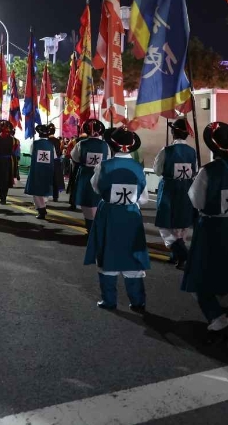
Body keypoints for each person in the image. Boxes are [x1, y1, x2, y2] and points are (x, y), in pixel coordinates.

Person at [182, 122, 228, 344]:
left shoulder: (208, 171)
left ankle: (216, 316)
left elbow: (197, 201)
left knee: (200, 275)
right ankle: (225, 312)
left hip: (211, 228)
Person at [84, 126, 150, 311]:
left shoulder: (104, 166)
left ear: (111, 145)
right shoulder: (138, 168)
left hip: (109, 214)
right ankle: (138, 302)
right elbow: (143, 198)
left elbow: (96, 187)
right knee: (132, 254)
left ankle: (109, 300)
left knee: (108, 253)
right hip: (131, 215)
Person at [154, 118, 198, 269]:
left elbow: (157, 170)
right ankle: (177, 257)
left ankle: (183, 255)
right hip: (186, 190)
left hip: (169, 190)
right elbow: (195, 170)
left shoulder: (166, 151)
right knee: (181, 225)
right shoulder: (192, 152)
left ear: (173, 132)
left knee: (165, 225)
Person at [71, 120, 110, 233]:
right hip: (101, 176)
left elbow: (75, 158)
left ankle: (90, 227)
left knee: (86, 201)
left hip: (85, 176)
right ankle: (97, 226)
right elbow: (108, 158)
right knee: (99, 201)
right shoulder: (105, 145)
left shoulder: (81, 144)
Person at [25, 124, 57, 220]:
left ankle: (41, 210)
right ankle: (43, 207)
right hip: (48, 170)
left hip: (36, 170)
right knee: (45, 190)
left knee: (36, 190)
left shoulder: (34, 144)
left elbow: (31, 154)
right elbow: (54, 157)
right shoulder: (51, 145)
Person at [0, 120, 16, 205]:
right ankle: (4, 197)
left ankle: (2, 198)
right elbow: (13, 150)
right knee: (6, 179)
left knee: (0, 179)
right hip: (8, 161)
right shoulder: (12, 139)